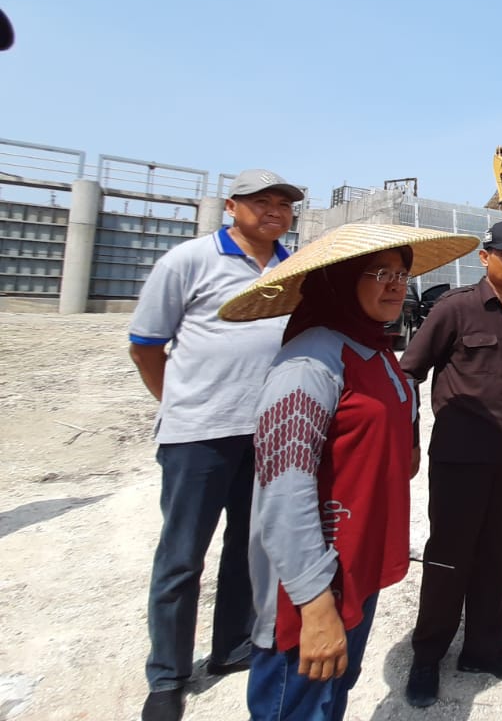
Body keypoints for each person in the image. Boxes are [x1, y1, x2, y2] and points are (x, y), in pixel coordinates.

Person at [218, 223, 476, 721]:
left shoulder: (371, 348)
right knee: (298, 706)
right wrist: (314, 604)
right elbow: (283, 490)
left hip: (357, 569)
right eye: (379, 272)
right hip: (312, 585)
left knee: (334, 695)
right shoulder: (308, 363)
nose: (396, 285)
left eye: (401, 273)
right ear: (338, 279)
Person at [128, 169, 303, 721]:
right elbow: (146, 346)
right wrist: (181, 402)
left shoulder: (295, 268)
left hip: (271, 433)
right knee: (181, 557)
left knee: (248, 549)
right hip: (199, 435)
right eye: (261, 201)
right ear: (232, 205)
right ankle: (167, 677)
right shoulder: (188, 261)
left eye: (284, 203)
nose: (274, 211)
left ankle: (232, 647)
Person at [401, 220, 502, 709]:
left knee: (497, 555)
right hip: (459, 459)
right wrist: (411, 441)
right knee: (448, 558)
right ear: (486, 258)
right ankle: (428, 655)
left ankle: (481, 648)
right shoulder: (454, 308)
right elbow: (408, 373)